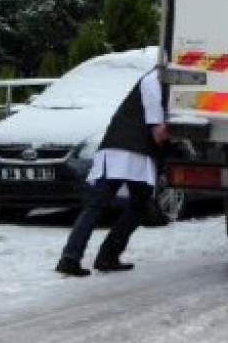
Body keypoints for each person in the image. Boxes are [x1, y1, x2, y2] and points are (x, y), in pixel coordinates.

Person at [56, 67, 168, 277]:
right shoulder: (153, 80)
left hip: (118, 150)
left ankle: (73, 257)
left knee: (98, 205)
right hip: (131, 152)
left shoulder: (156, 79)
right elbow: (158, 133)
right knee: (136, 206)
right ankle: (103, 256)